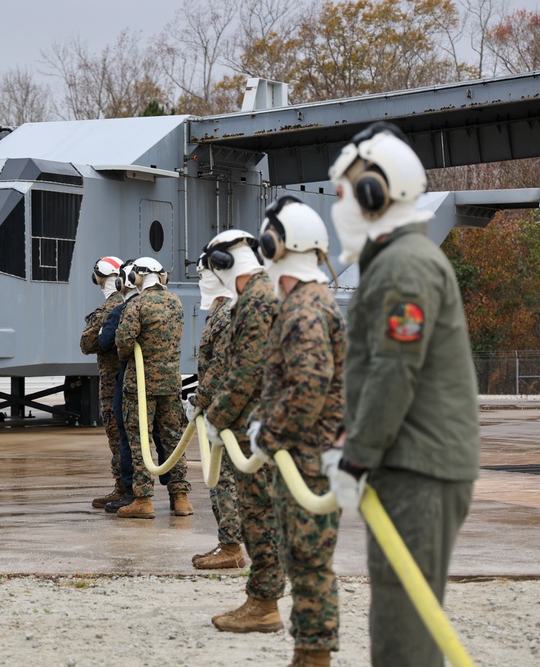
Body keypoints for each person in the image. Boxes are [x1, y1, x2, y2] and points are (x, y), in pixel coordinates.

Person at [325, 121, 480, 667]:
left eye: (343, 194)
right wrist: (353, 435)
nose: (337, 207)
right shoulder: (390, 263)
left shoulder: (405, 266)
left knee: (404, 627)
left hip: (421, 468)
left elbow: (395, 370)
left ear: (374, 195)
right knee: (401, 608)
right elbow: (374, 371)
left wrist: (359, 454)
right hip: (410, 462)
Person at [249, 197, 345, 667]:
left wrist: (268, 434)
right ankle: (308, 653)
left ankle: (313, 657)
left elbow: (308, 386)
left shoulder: (304, 309)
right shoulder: (306, 302)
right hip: (305, 455)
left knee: (308, 563)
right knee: (304, 560)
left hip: (308, 457)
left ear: (276, 246)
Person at [201, 230, 284, 633]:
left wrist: (216, 417)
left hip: (260, 425)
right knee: (263, 515)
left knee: (260, 516)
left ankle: (264, 604)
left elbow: (246, 371)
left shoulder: (255, 301)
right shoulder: (262, 295)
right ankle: (264, 599)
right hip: (263, 422)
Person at [114, 257, 192, 519]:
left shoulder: (137, 304)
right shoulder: (176, 302)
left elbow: (124, 341)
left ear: (137, 277)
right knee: (172, 439)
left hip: (140, 385)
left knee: (139, 441)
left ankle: (143, 500)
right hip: (171, 383)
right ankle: (180, 498)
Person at [185, 252, 245, 569]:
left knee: (224, 480)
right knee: (222, 478)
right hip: (220, 408)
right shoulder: (222, 311)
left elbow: (220, 368)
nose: (199, 280)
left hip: (224, 410)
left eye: (202, 274)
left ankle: (232, 546)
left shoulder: (226, 315)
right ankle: (229, 543)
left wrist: (200, 399)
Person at [79, 256, 127, 509]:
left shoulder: (109, 309)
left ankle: (124, 490)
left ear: (98, 277)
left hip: (112, 384)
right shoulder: (132, 303)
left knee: (117, 436)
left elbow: (86, 344)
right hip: (133, 381)